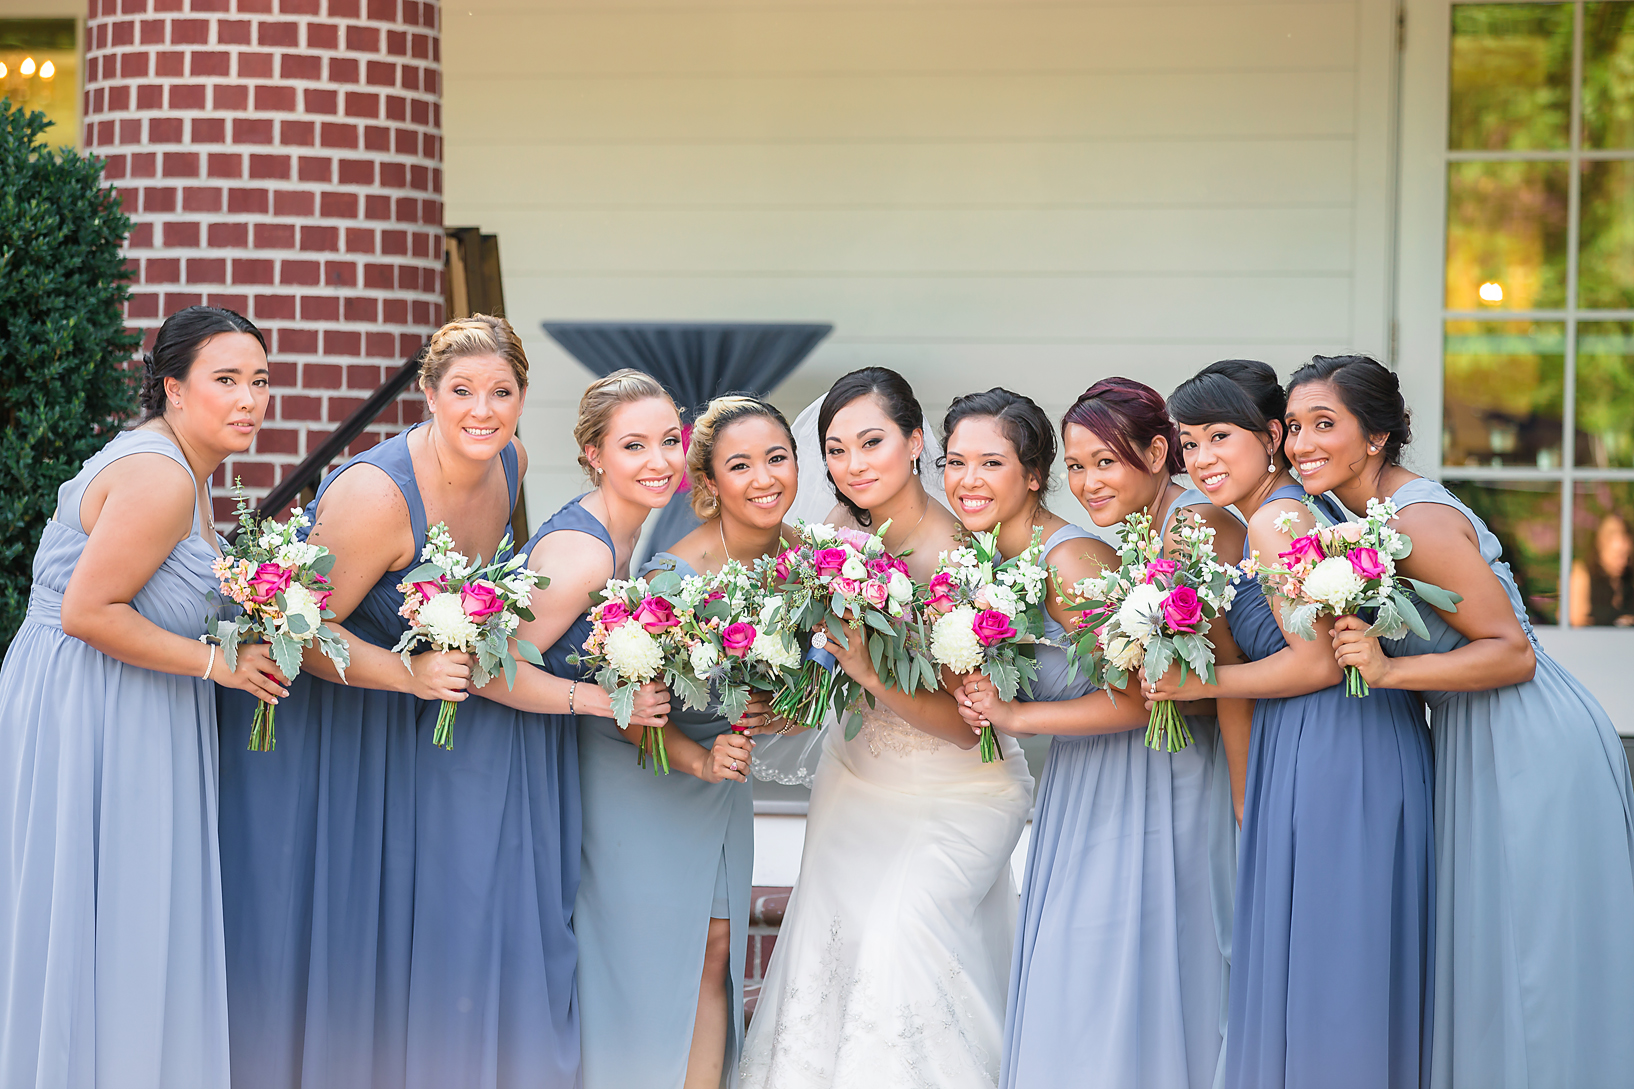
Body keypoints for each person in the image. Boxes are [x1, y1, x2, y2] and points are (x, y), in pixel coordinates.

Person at [1299, 354, 1634, 1089]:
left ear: (1377, 436)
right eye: (1293, 427)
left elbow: (1511, 651)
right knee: (1498, 958)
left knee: (1535, 962)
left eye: (1324, 423)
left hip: (1525, 738)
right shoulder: (1362, 522)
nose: (1303, 443)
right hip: (1471, 737)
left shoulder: (1416, 519)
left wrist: (1389, 671)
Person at [217, 316, 520, 1089]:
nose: (482, 410)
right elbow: (299, 631)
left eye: (501, 391)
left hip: (397, 729)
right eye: (462, 390)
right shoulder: (377, 495)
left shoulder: (509, 461)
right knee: (325, 932)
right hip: (318, 727)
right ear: (428, 395)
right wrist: (411, 675)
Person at [0, 306, 285, 1088]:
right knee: (112, 911)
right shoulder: (160, 477)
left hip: (133, 695)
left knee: (130, 913)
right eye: (226, 380)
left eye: (260, 381)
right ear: (174, 388)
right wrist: (218, 664)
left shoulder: (186, 467)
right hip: (92, 703)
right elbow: (87, 613)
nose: (249, 400)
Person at [741, 369, 1033, 1089]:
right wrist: (791, 702)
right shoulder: (835, 539)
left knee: (900, 945)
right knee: (832, 961)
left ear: (915, 442)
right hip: (856, 782)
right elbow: (831, 672)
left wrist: (872, 674)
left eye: (871, 442)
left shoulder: (961, 555)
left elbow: (966, 728)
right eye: (836, 450)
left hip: (961, 793)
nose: (854, 465)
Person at [957, 379, 1247, 1089]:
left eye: (1106, 462)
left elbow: (1161, 695)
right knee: (1089, 976)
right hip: (1088, 780)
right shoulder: (1011, 558)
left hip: (1153, 777)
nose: (1089, 482)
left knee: (1118, 972)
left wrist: (1016, 717)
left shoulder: (1092, 554)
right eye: (1080, 466)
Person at [1151, 359, 1433, 1089]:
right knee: (1335, 950)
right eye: (1189, 443)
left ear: (1270, 437)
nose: (1202, 459)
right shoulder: (1273, 516)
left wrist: (1195, 683)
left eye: (1219, 436)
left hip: (1335, 740)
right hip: (1316, 739)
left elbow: (1316, 663)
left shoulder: (1278, 521)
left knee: (1331, 952)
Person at [573, 394, 792, 1088]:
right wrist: (699, 757)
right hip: (643, 766)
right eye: (740, 465)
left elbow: (808, 691)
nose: (763, 478)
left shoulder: (809, 567)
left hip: (720, 777)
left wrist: (781, 709)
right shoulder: (672, 576)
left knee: (717, 945)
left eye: (777, 458)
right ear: (709, 483)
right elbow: (621, 708)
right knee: (648, 955)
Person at [1570, 510, 1634, 627]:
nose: (1623, 562)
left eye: (1626, 556)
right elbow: (1575, 621)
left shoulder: (1628, 578)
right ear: (1600, 544)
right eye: (1618, 555)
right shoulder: (1583, 574)